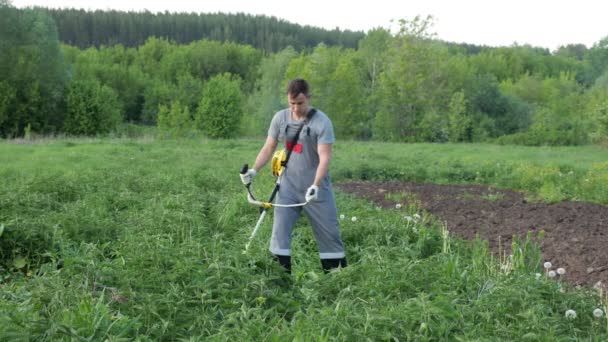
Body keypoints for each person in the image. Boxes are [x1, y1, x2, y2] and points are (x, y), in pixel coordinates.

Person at [240, 78, 347, 273]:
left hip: (316, 190)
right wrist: (254, 170)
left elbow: (325, 158)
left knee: (330, 234)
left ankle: (337, 282)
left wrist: (315, 185)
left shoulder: (322, 122)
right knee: (279, 234)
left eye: (300, 103)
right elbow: (269, 147)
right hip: (287, 187)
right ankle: (280, 282)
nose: (296, 108)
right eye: (292, 103)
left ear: (308, 98)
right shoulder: (280, 118)